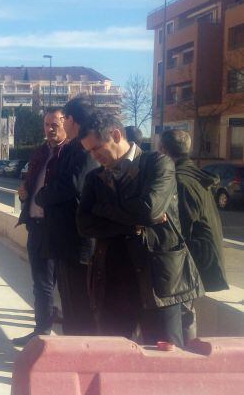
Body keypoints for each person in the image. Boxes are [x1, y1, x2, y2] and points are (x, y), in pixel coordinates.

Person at [77, 111, 203, 347]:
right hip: (113, 279)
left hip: (159, 280)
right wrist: (134, 220)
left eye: (97, 148)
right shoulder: (95, 178)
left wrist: (103, 209)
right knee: (114, 357)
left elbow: (149, 210)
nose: (94, 157)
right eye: (89, 152)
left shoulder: (158, 163)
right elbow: (84, 224)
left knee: (164, 360)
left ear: (116, 134)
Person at [34, 98, 99, 337]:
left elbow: (72, 185)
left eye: (63, 120)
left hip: (76, 242)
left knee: (79, 308)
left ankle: (80, 359)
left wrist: (41, 196)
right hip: (64, 241)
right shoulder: (77, 146)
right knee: (72, 306)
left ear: (70, 120)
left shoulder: (86, 147)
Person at [159, 129, 228, 341]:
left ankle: (184, 360)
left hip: (192, 259)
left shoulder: (179, 181)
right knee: (187, 312)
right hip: (206, 254)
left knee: (183, 313)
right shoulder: (195, 175)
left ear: (163, 150)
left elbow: (180, 228)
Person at [12, 108, 67, 346]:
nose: (49, 129)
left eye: (54, 124)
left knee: (46, 284)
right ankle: (41, 329)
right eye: (46, 124)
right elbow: (30, 184)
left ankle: (43, 333)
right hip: (35, 225)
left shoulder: (69, 153)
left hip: (54, 229)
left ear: (67, 123)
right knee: (40, 284)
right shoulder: (40, 153)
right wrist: (24, 194)